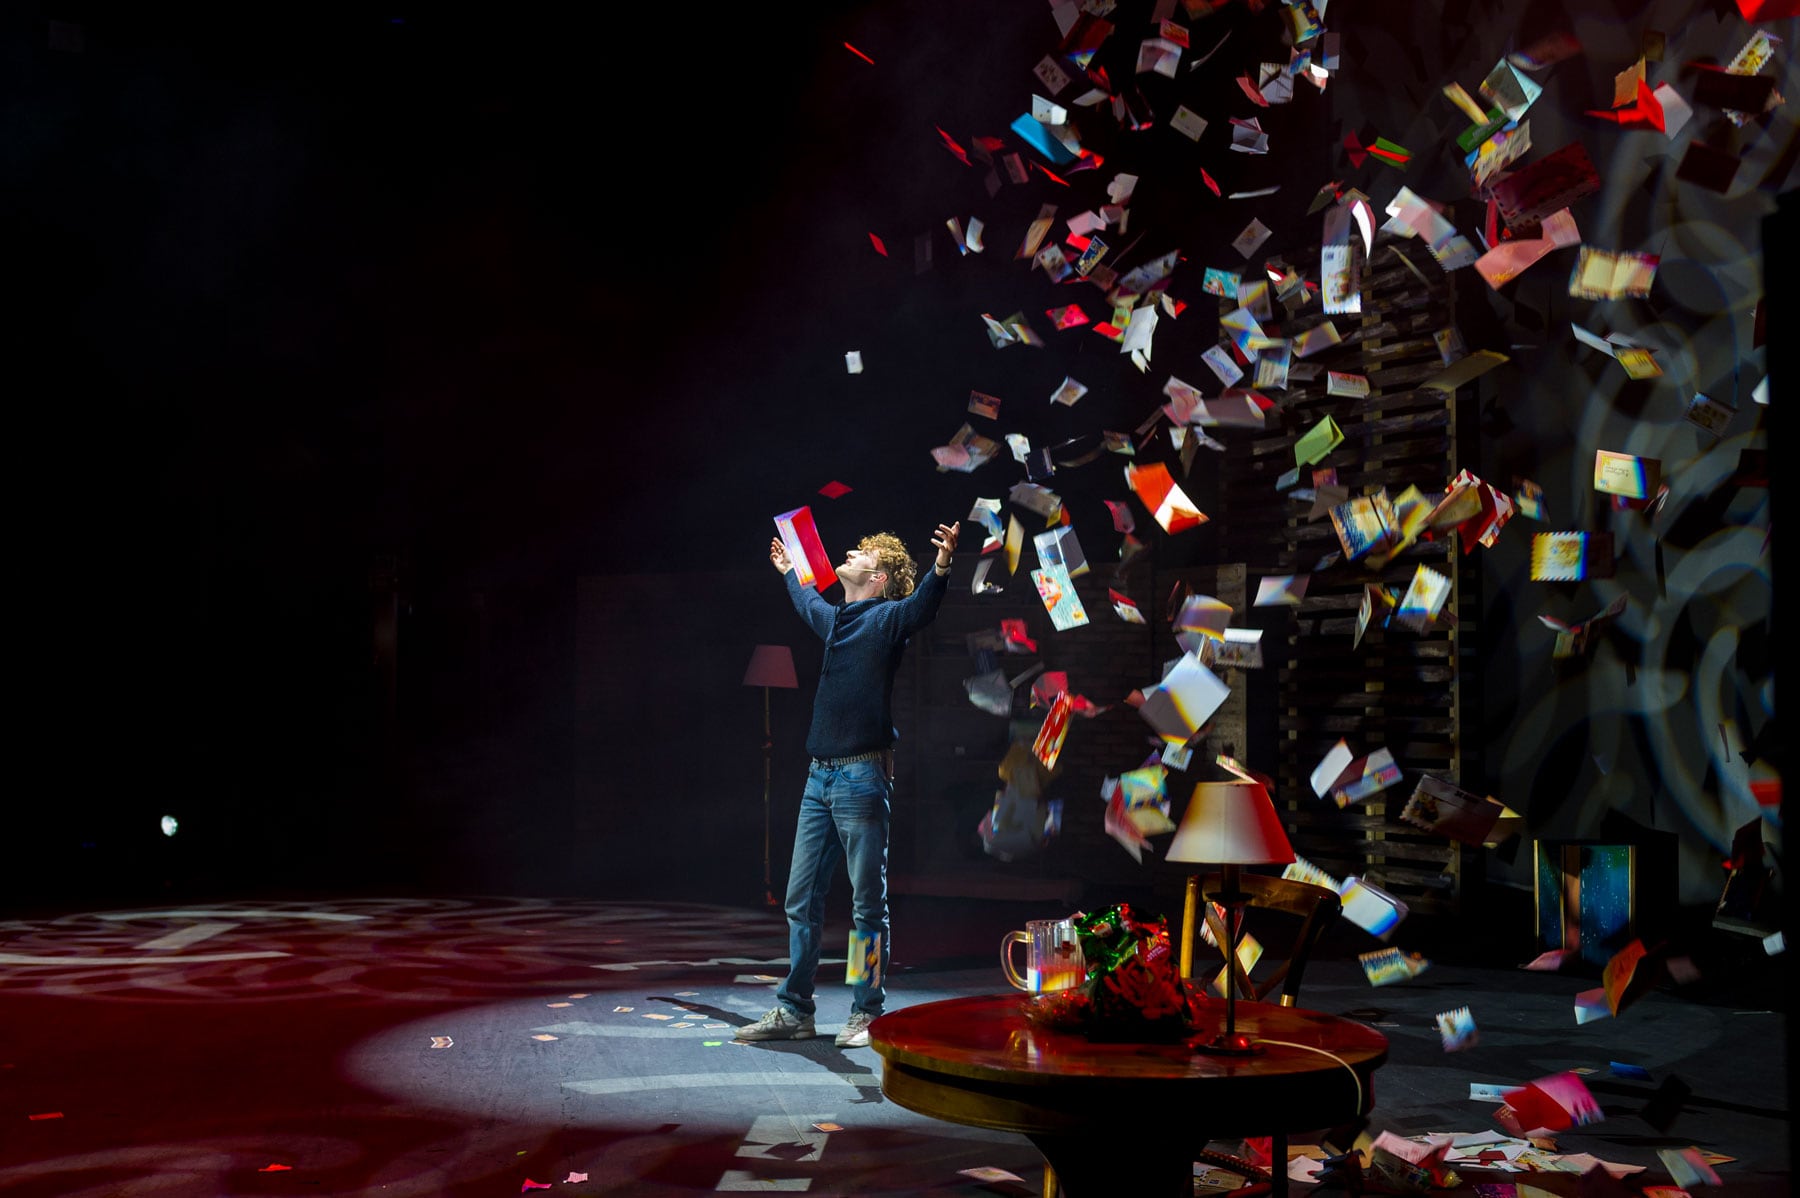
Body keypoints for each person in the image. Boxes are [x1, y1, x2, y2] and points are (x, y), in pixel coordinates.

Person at [736, 520, 960, 1049]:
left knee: (866, 906)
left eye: (862, 552)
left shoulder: (886, 618)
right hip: (820, 779)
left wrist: (943, 565)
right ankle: (795, 1011)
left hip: (861, 778)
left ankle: (867, 1011)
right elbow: (808, 603)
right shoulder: (838, 622)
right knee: (800, 899)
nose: (850, 550)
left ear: (878, 577)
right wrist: (790, 572)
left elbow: (922, 606)